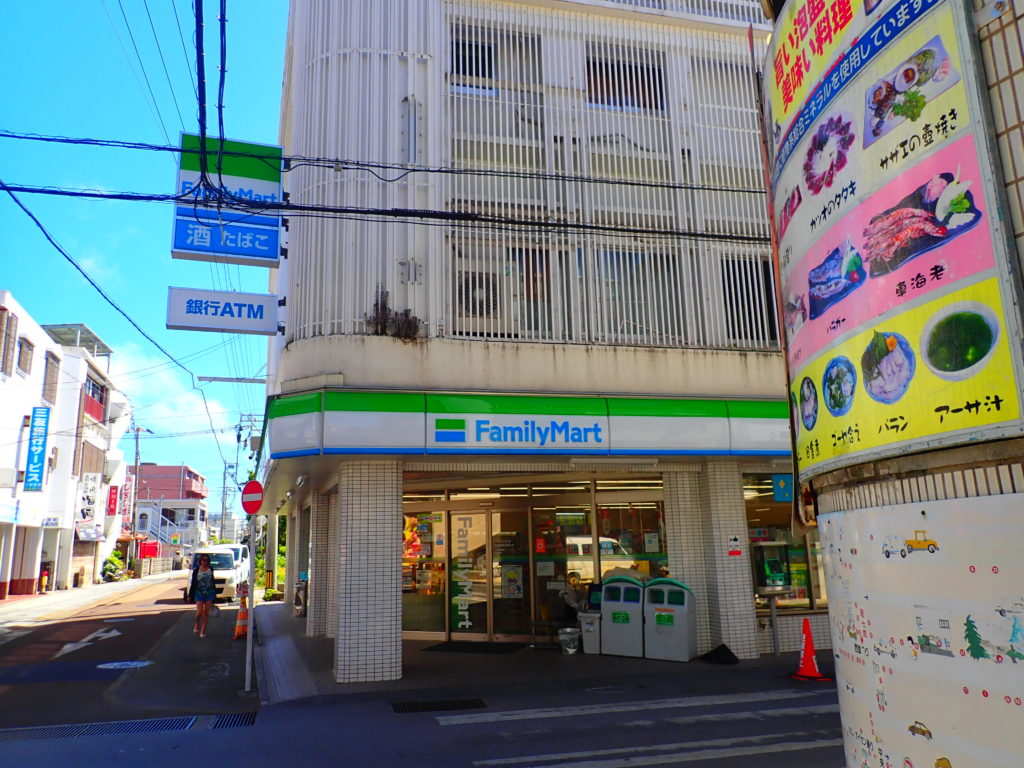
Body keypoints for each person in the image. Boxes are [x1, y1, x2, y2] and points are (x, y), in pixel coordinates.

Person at [188, 554, 217, 638]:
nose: (205, 561)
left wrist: (215, 594)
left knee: (206, 613)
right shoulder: (197, 570)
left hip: (209, 592)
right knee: (199, 612)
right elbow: (193, 583)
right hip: (199, 592)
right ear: (200, 561)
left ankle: (203, 631)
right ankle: (197, 623)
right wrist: (190, 596)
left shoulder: (211, 569)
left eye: (207, 560)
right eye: (203, 560)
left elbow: (212, 581)